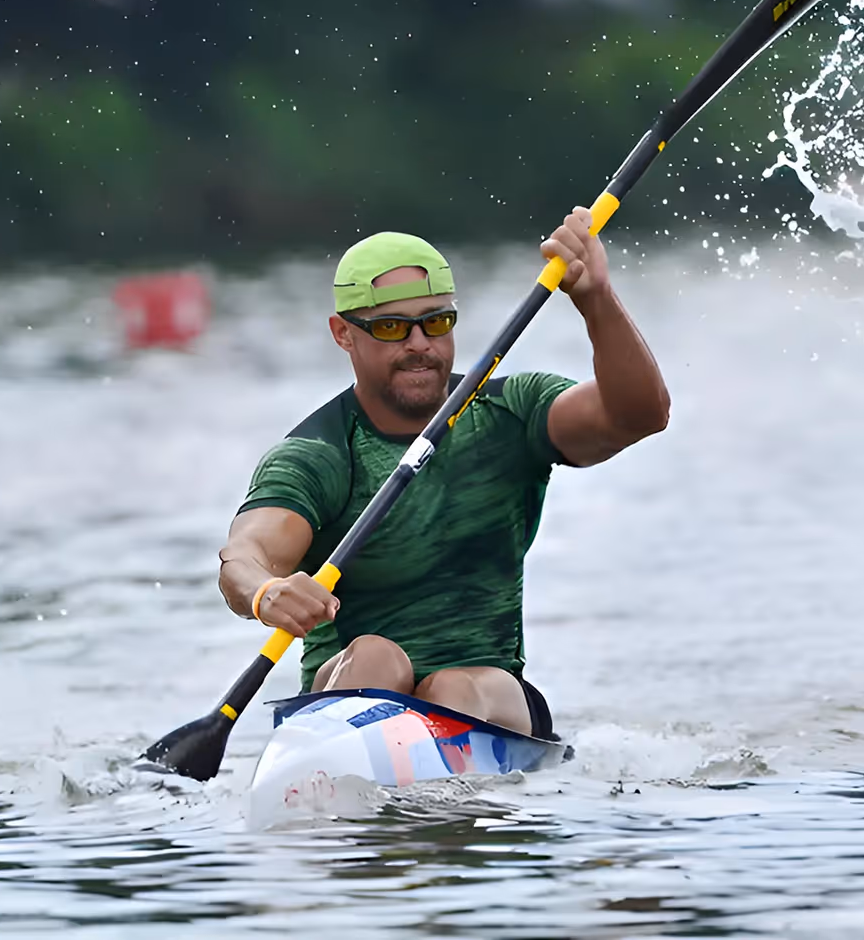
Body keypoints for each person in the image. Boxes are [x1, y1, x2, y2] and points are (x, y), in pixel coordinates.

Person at [216, 207, 670, 741]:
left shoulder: (511, 412)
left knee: (451, 688)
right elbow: (242, 558)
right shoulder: (318, 454)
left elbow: (640, 414)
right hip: (353, 692)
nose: (419, 344)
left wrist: (596, 300)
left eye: (437, 322)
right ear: (343, 334)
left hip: (489, 697)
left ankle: (432, 785)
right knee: (376, 658)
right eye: (391, 327)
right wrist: (267, 592)